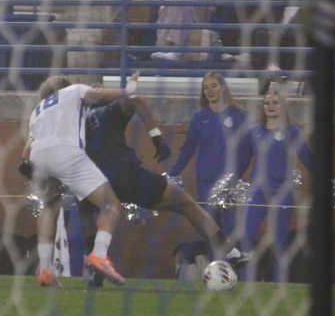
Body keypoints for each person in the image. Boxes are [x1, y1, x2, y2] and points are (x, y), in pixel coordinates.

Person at [80, 91, 247, 286]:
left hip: (92, 179)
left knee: (86, 211)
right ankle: (232, 254)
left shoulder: (74, 121)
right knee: (186, 204)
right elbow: (135, 100)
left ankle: (96, 268)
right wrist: (156, 138)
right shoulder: (108, 109)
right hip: (124, 176)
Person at [23, 72, 140, 287]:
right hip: (66, 152)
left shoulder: (38, 109)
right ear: (65, 85)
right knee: (110, 204)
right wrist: (127, 90)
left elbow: (26, 151)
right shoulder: (73, 91)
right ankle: (99, 254)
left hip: (38, 157)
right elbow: (96, 94)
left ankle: (46, 269)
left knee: (50, 206)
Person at [239, 88, 313, 282]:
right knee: (246, 237)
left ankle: (280, 285)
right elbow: (242, 162)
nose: (270, 106)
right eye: (267, 103)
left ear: (283, 106)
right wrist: (229, 181)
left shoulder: (293, 132)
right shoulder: (254, 132)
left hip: (283, 193)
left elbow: (309, 160)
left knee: (279, 243)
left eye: (275, 102)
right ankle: (245, 282)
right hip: (257, 193)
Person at [167, 72, 251, 239]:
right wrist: (170, 175)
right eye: (206, 87)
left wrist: (235, 176)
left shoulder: (240, 115)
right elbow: (187, 149)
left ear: (223, 87)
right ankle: (214, 265)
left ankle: (233, 264)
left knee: (230, 232)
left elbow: (247, 151)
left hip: (230, 185)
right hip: (206, 184)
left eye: (213, 85)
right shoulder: (199, 117)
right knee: (211, 234)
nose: (209, 90)